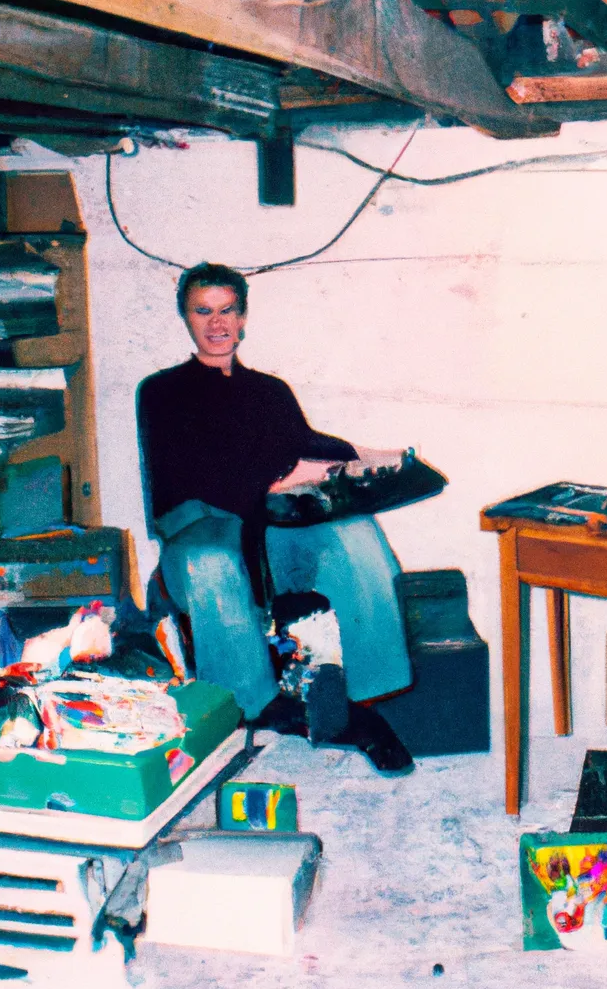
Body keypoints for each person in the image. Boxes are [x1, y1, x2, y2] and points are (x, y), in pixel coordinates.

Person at [136, 262, 414, 772]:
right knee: (210, 562)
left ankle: (366, 698)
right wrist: (280, 476)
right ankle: (255, 705)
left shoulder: (269, 391)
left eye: (227, 311)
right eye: (203, 311)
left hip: (267, 538)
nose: (217, 324)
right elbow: (187, 479)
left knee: (354, 532)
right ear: (186, 317)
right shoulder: (161, 392)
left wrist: (365, 454)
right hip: (201, 535)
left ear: (243, 318)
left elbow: (305, 444)